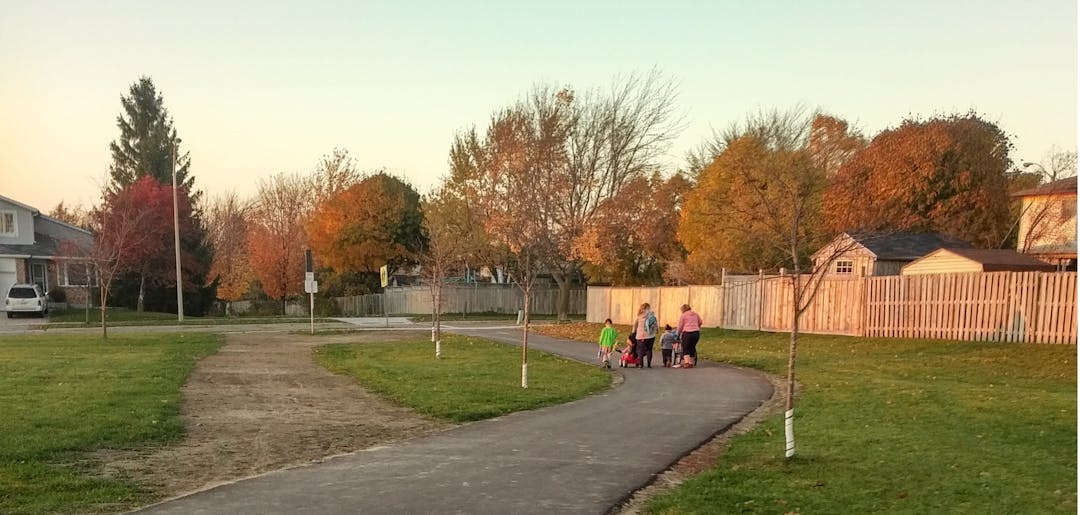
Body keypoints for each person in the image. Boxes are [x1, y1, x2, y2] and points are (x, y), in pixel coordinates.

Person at [676, 303, 703, 368]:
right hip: (696, 333)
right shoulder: (695, 314)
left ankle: (687, 363)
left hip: (687, 333)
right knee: (692, 347)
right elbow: (700, 322)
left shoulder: (683, 315)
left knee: (685, 347)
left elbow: (680, 326)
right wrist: (697, 327)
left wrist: (678, 333)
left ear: (683, 309)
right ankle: (691, 362)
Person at [634, 303, 658, 368]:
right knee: (649, 349)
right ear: (648, 307)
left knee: (640, 350)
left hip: (641, 336)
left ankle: (641, 364)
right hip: (651, 336)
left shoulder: (639, 316)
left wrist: (633, 332)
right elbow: (655, 324)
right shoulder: (652, 315)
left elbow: (635, 325)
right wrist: (656, 331)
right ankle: (649, 364)